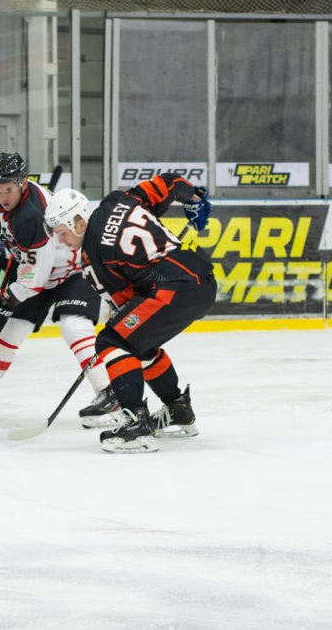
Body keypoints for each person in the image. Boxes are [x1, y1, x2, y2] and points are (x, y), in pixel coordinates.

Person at [44, 174, 214, 453]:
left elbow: (125, 303)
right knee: (139, 344)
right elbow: (167, 183)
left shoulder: (93, 258)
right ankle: (178, 410)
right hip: (200, 277)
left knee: (112, 341)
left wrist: (121, 376)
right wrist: (193, 198)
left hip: (175, 288)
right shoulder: (118, 201)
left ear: (79, 222)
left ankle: (136, 425)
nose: (62, 240)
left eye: (62, 232)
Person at [0, 152, 118, 423]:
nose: (3, 196)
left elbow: (35, 278)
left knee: (74, 325)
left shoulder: (31, 215)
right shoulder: (11, 199)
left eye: (8, 189)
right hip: (40, 270)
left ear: (22, 183)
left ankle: (108, 392)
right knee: (9, 331)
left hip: (72, 271)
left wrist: (5, 302)